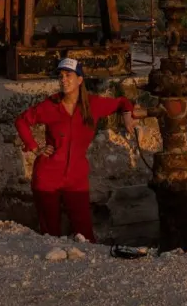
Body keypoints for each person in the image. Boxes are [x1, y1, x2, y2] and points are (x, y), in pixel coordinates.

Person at [14, 57, 142, 242]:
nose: (63, 80)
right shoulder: (50, 105)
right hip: (47, 176)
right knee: (51, 235)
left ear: (80, 79)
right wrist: (34, 147)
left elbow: (122, 102)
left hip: (76, 177)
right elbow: (21, 121)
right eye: (60, 76)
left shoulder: (93, 105)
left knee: (85, 233)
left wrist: (128, 115)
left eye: (68, 75)